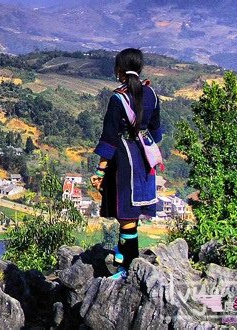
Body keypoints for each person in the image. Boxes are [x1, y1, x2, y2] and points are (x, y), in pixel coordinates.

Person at [90, 48, 163, 280]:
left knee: (126, 215)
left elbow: (109, 138)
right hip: (145, 159)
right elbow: (157, 132)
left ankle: (126, 268)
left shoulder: (117, 98)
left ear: (119, 71)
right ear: (139, 68)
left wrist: (100, 171)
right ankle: (123, 255)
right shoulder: (151, 94)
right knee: (134, 212)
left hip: (124, 161)